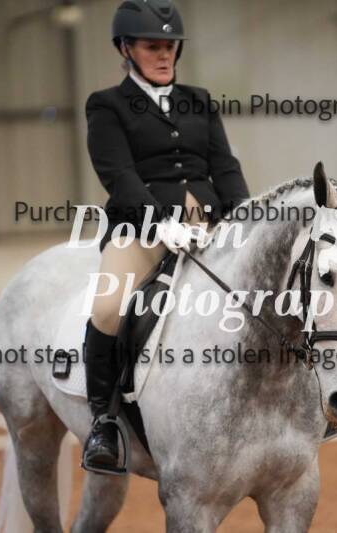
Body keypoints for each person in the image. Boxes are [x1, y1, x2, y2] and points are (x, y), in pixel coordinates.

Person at [82, 0, 249, 473]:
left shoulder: (199, 99)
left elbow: (224, 166)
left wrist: (245, 216)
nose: (164, 55)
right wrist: (158, 222)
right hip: (140, 230)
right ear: (125, 49)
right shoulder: (107, 105)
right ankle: (103, 423)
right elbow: (117, 172)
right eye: (152, 46)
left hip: (208, 225)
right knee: (108, 307)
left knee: (265, 291)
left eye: (170, 46)